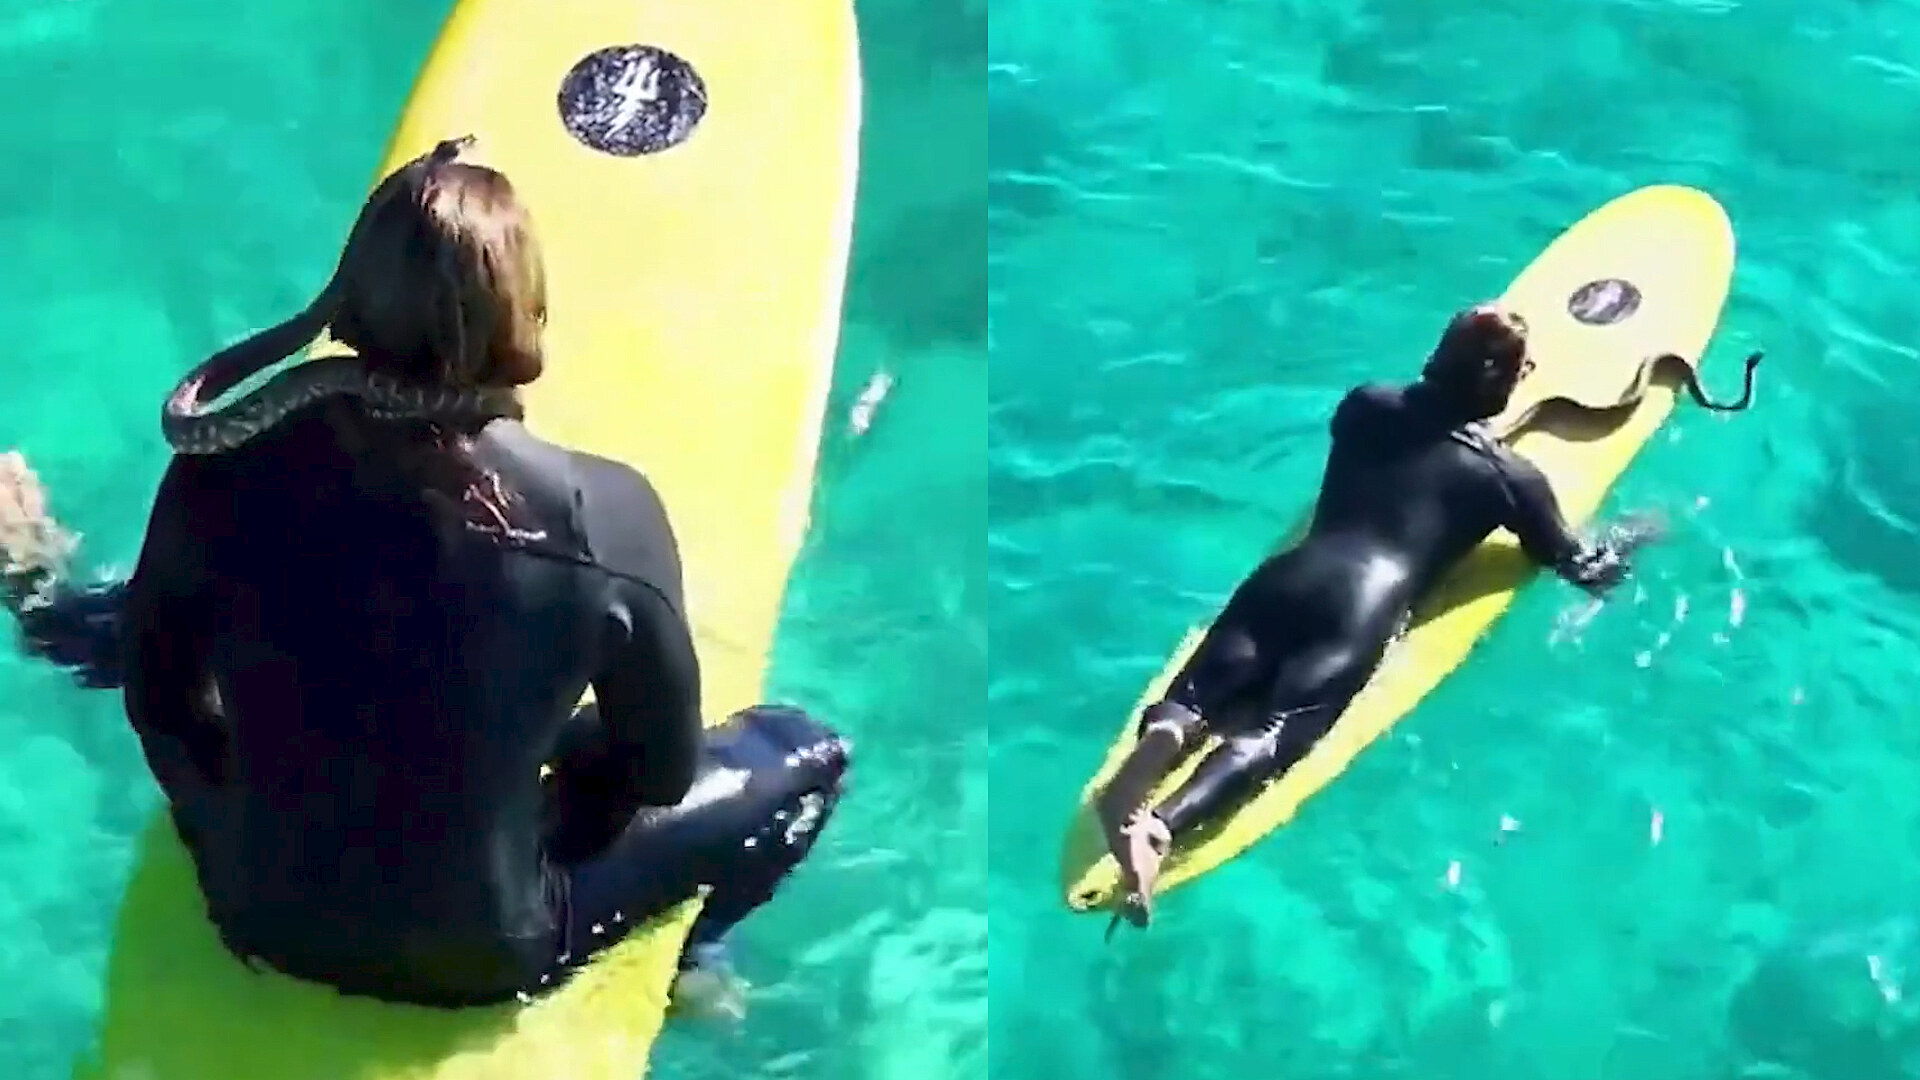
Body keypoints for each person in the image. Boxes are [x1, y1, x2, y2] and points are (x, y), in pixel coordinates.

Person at [0, 136, 849, 1008]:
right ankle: (698, 958)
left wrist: (255, 812)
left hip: (256, 910)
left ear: (346, 309)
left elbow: (160, 705)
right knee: (802, 751)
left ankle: (32, 583)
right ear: (526, 316)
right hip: (486, 954)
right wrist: (546, 745)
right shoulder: (606, 515)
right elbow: (660, 774)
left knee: (178, 612)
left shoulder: (218, 472)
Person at [1095, 303, 1673, 936]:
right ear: (1497, 380)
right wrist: (1636, 534)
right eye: (1521, 370)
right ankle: (1162, 826)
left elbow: (1408, 438)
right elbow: (1577, 563)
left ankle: (1163, 739)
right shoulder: (1505, 477)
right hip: (1356, 612)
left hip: (1286, 576)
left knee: (1202, 687)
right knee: (1278, 729)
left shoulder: (1365, 404)